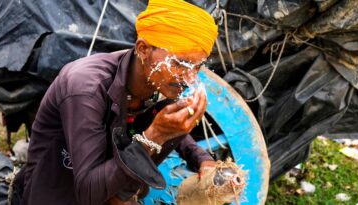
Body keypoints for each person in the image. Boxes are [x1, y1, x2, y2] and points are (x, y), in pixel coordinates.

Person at [15, 0, 219, 204]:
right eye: (179, 63)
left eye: (197, 67)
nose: (190, 78)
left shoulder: (159, 82)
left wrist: (202, 158)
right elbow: (89, 193)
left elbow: (169, 126)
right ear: (143, 49)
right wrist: (155, 135)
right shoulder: (85, 88)